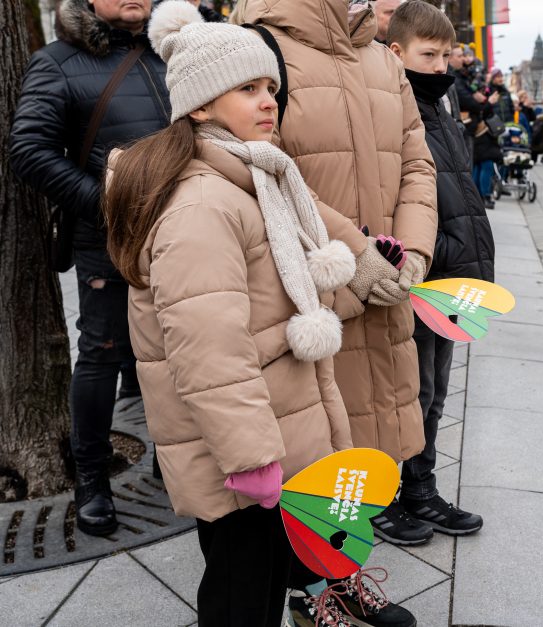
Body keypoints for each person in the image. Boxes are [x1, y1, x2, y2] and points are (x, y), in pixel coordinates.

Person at [102, 5, 397, 626]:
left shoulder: (251, 176)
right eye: (247, 88)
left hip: (273, 428)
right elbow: (209, 354)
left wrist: (357, 263)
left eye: (270, 87)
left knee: (261, 584)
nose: (269, 102)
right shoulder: (201, 205)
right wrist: (251, 458)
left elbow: (277, 297)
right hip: (243, 453)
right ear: (201, 104)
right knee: (240, 593)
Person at [240, 0, 437, 588]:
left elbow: (416, 164)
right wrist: (357, 253)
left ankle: (341, 583)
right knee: (311, 451)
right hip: (310, 292)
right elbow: (262, 168)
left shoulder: (381, 57)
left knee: (367, 453)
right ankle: (311, 592)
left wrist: (413, 251)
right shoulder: (260, 45)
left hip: (384, 292)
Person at [9, 0, 171, 537]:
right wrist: (106, 205)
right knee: (102, 353)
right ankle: (92, 480)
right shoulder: (56, 60)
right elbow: (29, 149)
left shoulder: (173, 52)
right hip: (107, 237)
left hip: (185, 235)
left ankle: (174, 462)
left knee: (180, 348)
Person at [385, 0, 493, 544]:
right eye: (430, 55)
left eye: (446, 54)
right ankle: (387, 497)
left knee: (437, 390)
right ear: (397, 51)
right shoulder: (389, 104)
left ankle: (420, 491)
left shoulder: (440, 99)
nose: (441, 65)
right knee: (411, 390)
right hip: (420, 270)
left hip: (452, 270)